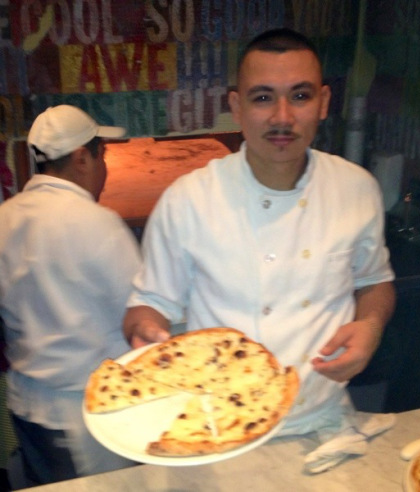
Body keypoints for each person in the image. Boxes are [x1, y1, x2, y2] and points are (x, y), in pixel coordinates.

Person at [123, 28, 396, 437]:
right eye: (263, 98)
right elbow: (147, 306)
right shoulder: (188, 199)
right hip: (218, 428)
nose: (282, 117)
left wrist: (371, 325)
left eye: (300, 96)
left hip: (322, 420)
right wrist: (145, 331)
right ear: (237, 106)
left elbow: (375, 282)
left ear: (323, 103)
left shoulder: (357, 188)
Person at [0, 105, 141, 487]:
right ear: (81, 158)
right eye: (102, 155)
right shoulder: (99, 224)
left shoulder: (5, 218)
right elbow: (139, 316)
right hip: (87, 416)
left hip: (26, 406)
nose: (104, 168)